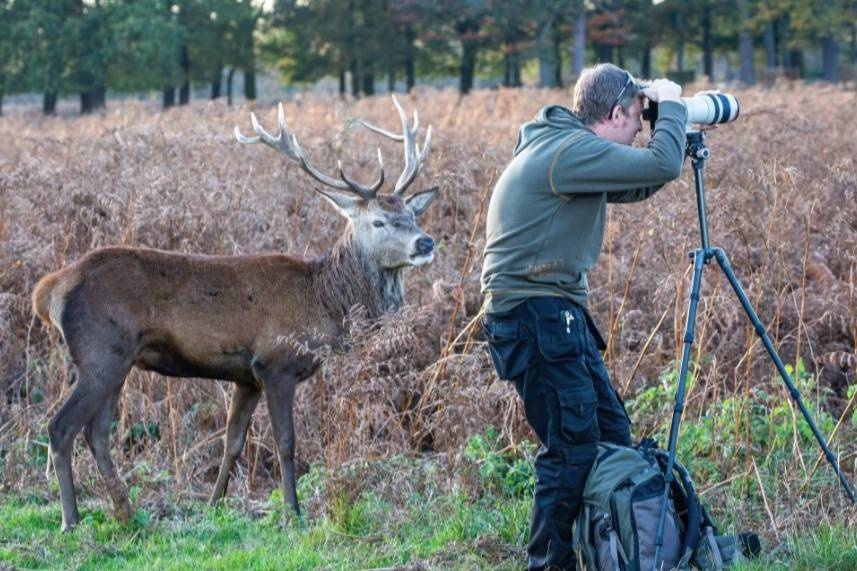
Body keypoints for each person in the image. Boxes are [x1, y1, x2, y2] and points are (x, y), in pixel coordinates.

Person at [480, 63, 687, 570]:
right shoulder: (566, 151)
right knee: (572, 448)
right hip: (536, 316)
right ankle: (549, 564)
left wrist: (672, 129)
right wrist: (675, 108)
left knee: (611, 436)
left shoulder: (565, 147)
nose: (641, 128)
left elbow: (639, 183)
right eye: (639, 116)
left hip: (551, 315)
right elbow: (660, 166)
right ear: (615, 112)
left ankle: (613, 548)